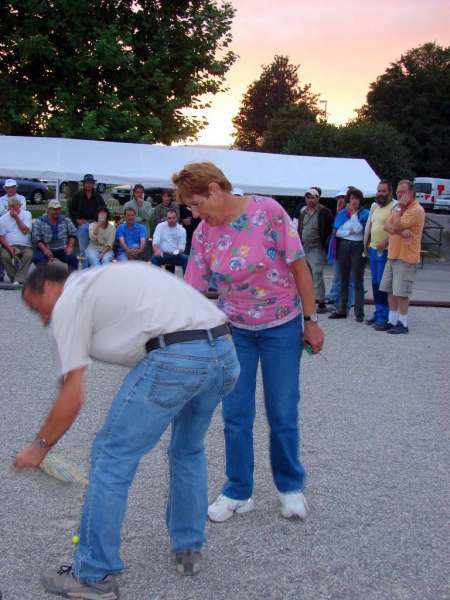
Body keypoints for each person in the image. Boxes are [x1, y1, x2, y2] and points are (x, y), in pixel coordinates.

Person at [15, 261, 239, 599]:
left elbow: (72, 395)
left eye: (38, 309)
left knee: (110, 458)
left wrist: (39, 446)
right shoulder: (103, 279)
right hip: (223, 351)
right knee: (188, 449)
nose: (44, 320)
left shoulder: (71, 298)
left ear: (49, 287)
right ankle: (188, 549)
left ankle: (93, 575)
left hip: (176, 357)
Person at [173, 162, 324, 522]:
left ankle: (290, 486)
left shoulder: (268, 212)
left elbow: (300, 267)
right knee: (236, 414)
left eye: (195, 205)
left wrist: (310, 320)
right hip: (235, 331)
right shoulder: (204, 234)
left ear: (214, 189)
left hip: (282, 327)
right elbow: (192, 288)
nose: (193, 214)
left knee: (283, 411)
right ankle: (238, 491)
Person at [380, 179, 425, 334]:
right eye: (398, 192)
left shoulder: (415, 210)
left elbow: (396, 225)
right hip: (393, 254)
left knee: (402, 292)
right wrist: (399, 230)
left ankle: (403, 323)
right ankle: (392, 320)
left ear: (411, 193)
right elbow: (386, 226)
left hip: (406, 257)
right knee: (390, 290)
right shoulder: (398, 208)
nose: (399, 195)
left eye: (403, 192)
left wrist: (397, 223)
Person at [329, 188, 369, 322]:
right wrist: (349, 231)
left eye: (357, 198)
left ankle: (359, 312)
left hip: (358, 247)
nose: (354, 201)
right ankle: (342, 309)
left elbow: (359, 229)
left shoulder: (364, 213)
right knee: (343, 280)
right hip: (344, 245)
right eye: (352, 198)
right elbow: (338, 231)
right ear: (349, 199)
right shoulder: (342, 213)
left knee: (357, 281)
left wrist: (352, 215)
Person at [363, 181, 396, 330]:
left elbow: (397, 228)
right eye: (379, 191)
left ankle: (385, 316)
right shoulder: (374, 206)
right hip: (373, 249)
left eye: (383, 191)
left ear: (390, 192)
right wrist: (368, 242)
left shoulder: (395, 207)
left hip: (386, 250)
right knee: (375, 283)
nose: (380, 194)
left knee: (384, 285)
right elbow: (370, 225)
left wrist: (387, 242)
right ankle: (378, 313)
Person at [297, 188, 333, 313]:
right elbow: (300, 227)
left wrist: (325, 244)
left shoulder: (324, 211)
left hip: (317, 247)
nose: (310, 200)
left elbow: (329, 229)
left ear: (318, 198)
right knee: (306, 275)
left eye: (312, 197)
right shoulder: (303, 211)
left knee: (317, 274)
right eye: (308, 197)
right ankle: (309, 300)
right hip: (304, 247)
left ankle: (321, 302)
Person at [325, 189, 355, 309]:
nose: (339, 200)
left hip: (349, 248)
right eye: (338, 198)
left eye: (342, 197)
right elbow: (336, 231)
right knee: (338, 277)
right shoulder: (340, 212)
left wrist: (342, 232)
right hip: (338, 248)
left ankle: (346, 303)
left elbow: (354, 231)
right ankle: (337, 301)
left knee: (349, 279)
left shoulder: (352, 212)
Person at [68, 174, 106, 269]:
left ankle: (92, 269)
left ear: (93, 184)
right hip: (83, 223)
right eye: (87, 183)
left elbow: (103, 210)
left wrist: (99, 222)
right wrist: (77, 220)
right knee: (83, 249)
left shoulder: (97, 196)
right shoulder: (78, 196)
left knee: (94, 248)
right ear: (84, 184)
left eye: (90, 183)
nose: (89, 185)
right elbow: (71, 210)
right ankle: (85, 270)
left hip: (95, 224)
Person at [32, 199, 78, 273]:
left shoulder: (65, 220)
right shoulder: (40, 221)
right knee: (38, 258)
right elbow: (36, 238)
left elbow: (73, 234)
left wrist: (70, 247)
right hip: (46, 248)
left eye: (59, 209)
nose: (58, 212)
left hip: (62, 249)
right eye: (55, 210)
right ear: (49, 210)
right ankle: (43, 280)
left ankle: (72, 280)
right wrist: (45, 250)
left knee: (72, 257)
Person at [0, 196, 33, 287]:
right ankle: (17, 279)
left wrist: (16, 218)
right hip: (9, 245)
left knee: (28, 255)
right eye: (10, 207)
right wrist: (10, 248)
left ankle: (17, 280)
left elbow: (25, 230)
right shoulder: (3, 219)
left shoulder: (27, 214)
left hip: (25, 245)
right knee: (4, 256)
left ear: (20, 206)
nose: (12, 209)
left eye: (14, 206)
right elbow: (1, 237)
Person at [0, 179, 27, 282]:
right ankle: (1, 273)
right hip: (5, 226)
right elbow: (2, 213)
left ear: (16, 187)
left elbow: (22, 211)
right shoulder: (1, 199)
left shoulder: (22, 198)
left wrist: (9, 211)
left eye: (12, 187)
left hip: (18, 226)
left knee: (18, 248)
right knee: (3, 250)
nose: (10, 189)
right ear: (5, 189)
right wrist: (13, 210)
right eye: (8, 188)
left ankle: (17, 274)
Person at [151, 208, 189, 274]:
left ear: (177, 218)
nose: (171, 220)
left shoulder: (182, 230)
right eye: (169, 218)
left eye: (173, 218)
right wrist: (156, 251)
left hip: (176, 255)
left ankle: (186, 282)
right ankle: (155, 281)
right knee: (154, 259)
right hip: (162, 254)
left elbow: (181, 247)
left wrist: (175, 252)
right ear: (166, 218)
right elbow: (155, 242)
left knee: (187, 259)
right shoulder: (160, 226)